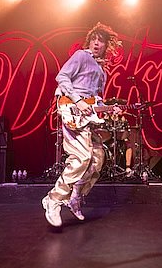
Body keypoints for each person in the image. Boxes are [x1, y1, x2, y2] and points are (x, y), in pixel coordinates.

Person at [42, 22, 122, 227]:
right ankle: (54, 199)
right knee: (81, 157)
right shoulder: (81, 56)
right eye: (94, 39)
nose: (96, 43)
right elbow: (62, 77)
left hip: (88, 118)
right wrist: (77, 100)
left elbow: (95, 100)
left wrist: (110, 108)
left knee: (97, 159)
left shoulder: (102, 71)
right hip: (72, 111)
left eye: (101, 41)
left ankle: (76, 197)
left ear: (106, 45)